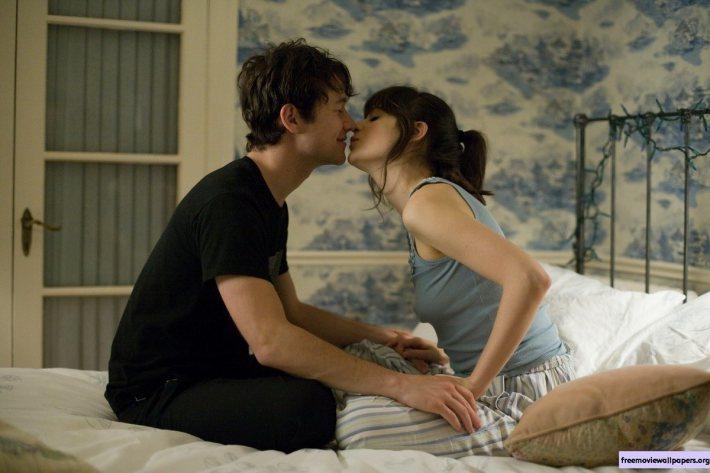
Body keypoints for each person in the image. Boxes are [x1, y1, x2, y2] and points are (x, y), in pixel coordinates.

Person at [104, 40, 480, 454]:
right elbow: (272, 341)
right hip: (158, 390)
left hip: (214, 370)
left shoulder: (268, 200)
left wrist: (388, 338)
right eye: (339, 108)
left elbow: (292, 313)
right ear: (292, 118)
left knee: (340, 368)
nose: (350, 124)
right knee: (308, 406)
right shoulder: (230, 201)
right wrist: (401, 386)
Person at [335, 85, 576, 457]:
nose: (354, 126)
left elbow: (530, 279)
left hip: (526, 388)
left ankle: (542, 435)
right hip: (495, 378)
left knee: (358, 427)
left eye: (374, 118)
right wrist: (445, 357)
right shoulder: (426, 203)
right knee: (360, 355)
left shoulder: (425, 203)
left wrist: (473, 386)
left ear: (416, 132)